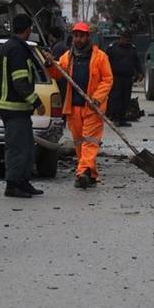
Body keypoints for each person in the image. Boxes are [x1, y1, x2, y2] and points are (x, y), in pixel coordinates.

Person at [45, 22, 113, 189]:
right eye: (76, 36)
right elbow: (57, 74)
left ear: (88, 37)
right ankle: (90, 173)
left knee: (90, 141)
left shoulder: (100, 57)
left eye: (81, 36)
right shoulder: (68, 57)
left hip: (92, 107)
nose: (78, 39)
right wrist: (49, 64)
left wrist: (97, 98)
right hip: (74, 106)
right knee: (79, 143)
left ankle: (82, 172)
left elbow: (107, 79)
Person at [0, 14, 46, 199]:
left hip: (17, 110)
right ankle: (13, 185)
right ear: (28, 29)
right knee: (17, 148)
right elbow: (20, 83)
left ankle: (23, 182)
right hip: (13, 108)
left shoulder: (12, 46)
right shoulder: (17, 50)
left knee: (26, 147)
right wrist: (37, 102)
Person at [106, 30, 143, 127]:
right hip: (116, 77)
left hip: (127, 78)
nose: (126, 41)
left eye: (128, 39)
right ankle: (115, 118)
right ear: (120, 38)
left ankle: (122, 118)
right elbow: (105, 62)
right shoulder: (112, 48)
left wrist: (140, 72)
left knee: (126, 99)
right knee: (116, 98)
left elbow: (137, 61)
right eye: (124, 39)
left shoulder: (132, 48)